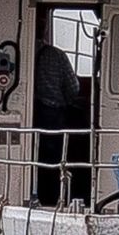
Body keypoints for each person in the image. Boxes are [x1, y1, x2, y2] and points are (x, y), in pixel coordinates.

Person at [33, 32, 85, 206]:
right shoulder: (57, 55)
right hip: (54, 114)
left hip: (35, 113)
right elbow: (74, 88)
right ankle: (55, 198)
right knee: (56, 159)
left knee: (36, 159)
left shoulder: (27, 52)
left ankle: (36, 194)